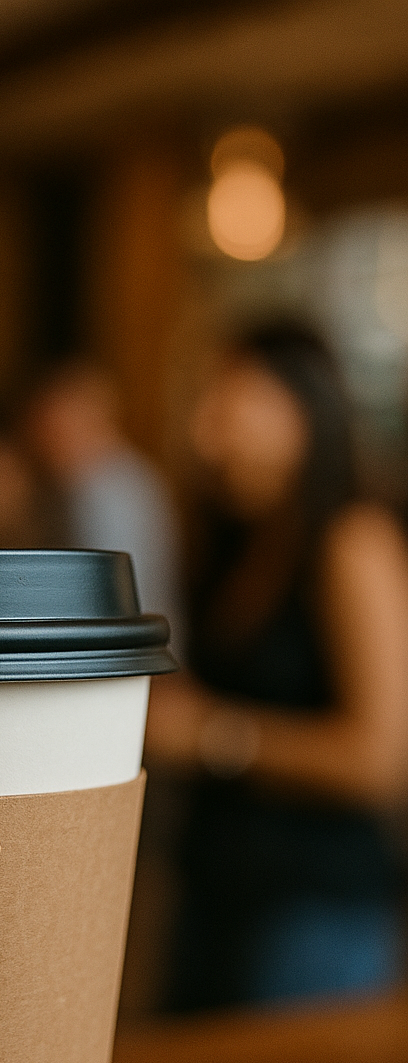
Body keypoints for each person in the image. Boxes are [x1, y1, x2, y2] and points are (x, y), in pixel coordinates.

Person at [145, 320, 408, 1010]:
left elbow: (381, 760)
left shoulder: (352, 541)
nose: (207, 430)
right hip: (212, 884)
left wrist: (211, 736)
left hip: (312, 909)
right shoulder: (235, 541)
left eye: (230, 403)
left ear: (303, 408)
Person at [27, 360, 183, 649]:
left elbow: (112, 603)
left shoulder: (112, 492)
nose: (41, 438)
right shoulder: (87, 485)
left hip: (135, 657)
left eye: (50, 421)